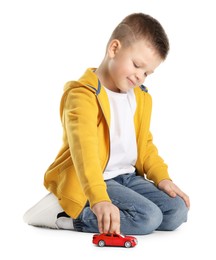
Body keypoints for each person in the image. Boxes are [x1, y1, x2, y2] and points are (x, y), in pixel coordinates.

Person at [23, 12, 190, 235]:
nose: (140, 76)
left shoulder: (139, 97)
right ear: (114, 49)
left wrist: (163, 178)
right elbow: (85, 153)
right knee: (148, 217)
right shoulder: (82, 96)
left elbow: (145, 144)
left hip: (127, 178)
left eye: (147, 73)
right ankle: (67, 216)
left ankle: (120, 210)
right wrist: (99, 197)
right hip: (96, 179)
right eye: (137, 65)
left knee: (177, 211)